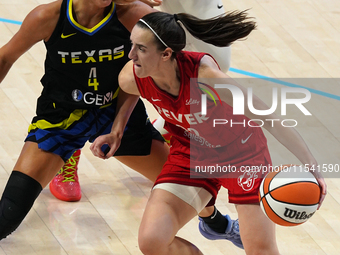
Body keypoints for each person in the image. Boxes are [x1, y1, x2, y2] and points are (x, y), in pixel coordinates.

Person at [90, 11, 327, 254]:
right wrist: (117, 131)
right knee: (152, 241)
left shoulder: (206, 76)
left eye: (140, 48)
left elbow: (270, 118)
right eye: (132, 45)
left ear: (166, 54)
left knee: (260, 250)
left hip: (243, 156)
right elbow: (133, 89)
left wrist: (311, 164)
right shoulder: (132, 75)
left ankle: (219, 224)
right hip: (190, 155)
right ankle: (215, 224)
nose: (131, 55)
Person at [0, 0, 172, 240]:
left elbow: (141, 74)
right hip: (60, 118)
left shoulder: (135, 15)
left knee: (189, 186)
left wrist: (119, 128)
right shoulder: (46, 17)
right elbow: (5, 57)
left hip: (115, 113)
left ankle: (218, 224)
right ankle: (68, 157)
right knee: (6, 217)